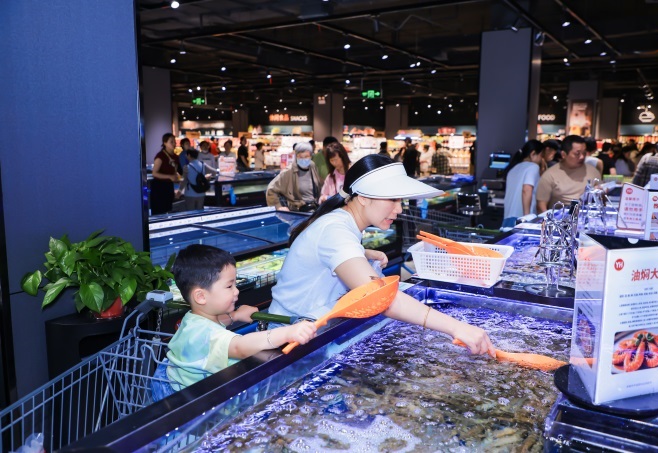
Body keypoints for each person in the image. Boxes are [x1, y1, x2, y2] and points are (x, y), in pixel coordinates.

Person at [268, 154, 495, 356]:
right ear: (363, 197)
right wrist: (457, 327)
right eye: (393, 199)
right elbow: (380, 298)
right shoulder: (335, 230)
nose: (399, 209)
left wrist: (362, 253)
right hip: (289, 342)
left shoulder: (342, 223)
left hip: (315, 332)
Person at [157, 245, 316, 396]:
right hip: (191, 400)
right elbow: (240, 347)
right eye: (229, 286)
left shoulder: (194, 318)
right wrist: (287, 333)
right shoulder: (205, 334)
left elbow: (214, 326)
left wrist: (236, 316)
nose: (236, 291)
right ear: (201, 296)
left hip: (179, 384)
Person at [535, 135, 601, 213]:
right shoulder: (550, 175)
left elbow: (601, 200)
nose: (582, 157)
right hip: (560, 217)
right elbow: (541, 205)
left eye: (584, 153)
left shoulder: (593, 172)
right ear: (564, 155)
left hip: (587, 216)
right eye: (577, 154)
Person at [266, 141, 321, 212]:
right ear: (296, 156)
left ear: (311, 156)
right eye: (300, 157)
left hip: (314, 209)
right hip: (298, 212)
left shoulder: (312, 166)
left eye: (306, 156)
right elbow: (271, 189)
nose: (304, 159)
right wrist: (278, 206)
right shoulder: (289, 171)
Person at [502, 140, 543, 226]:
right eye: (541, 155)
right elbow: (526, 189)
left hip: (507, 218)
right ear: (533, 154)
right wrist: (526, 217)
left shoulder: (513, 168)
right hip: (520, 219)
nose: (541, 159)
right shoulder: (533, 167)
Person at [150, 133, 181, 215]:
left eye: (174, 142)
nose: (174, 144)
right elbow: (154, 173)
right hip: (159, 187)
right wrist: (169, 176)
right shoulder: (160, 156)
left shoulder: (175, 157)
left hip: (169, 186)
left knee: (168, 209)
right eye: (171, 142)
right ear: (165, 143)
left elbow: (175, 171)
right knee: (159, 211)